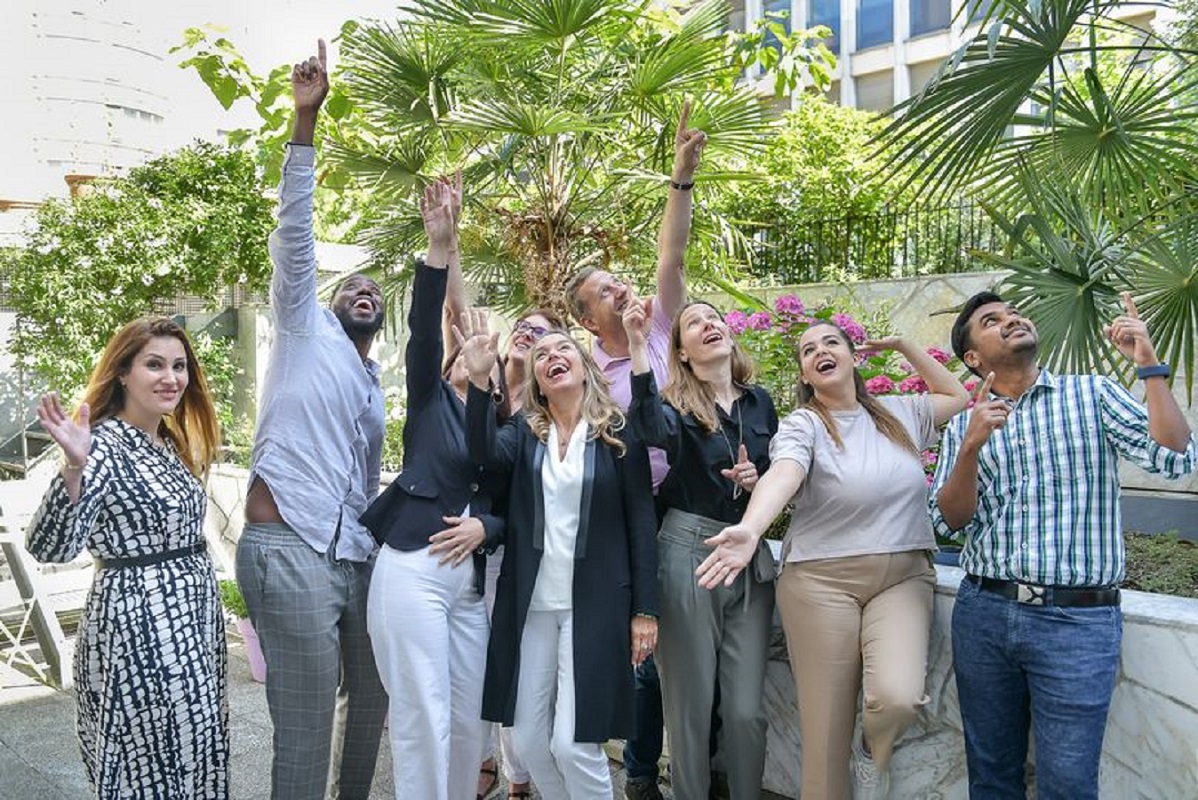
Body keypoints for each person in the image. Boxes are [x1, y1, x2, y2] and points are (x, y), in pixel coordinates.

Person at [929, 291, 1196, 800]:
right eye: (992, 320)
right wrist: (969, 451)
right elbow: (949, 522)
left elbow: (1175, 458)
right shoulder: (967, 423)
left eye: (1012, 313)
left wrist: (1148, 364)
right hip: (984, 612)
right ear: (973, 358)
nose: (1011, 320)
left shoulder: (1091, 394)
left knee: (1069, 785)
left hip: (1077, 623)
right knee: (991, 777)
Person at [697, 321, 970, 800]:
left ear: (851, 355)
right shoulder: (804, 425)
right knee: (824, 735)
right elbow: (784, 472)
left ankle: (871, 754)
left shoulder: (899, 413)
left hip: (903, 577)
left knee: (898, 698)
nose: (819, 351)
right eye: (807, 350)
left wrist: (905, 344)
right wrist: (752, 527)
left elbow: (958, 395)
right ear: (805, 373)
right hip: (820, 582)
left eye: (830, 342)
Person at [234, 41, 388, 799]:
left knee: (377, 695)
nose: (362, 287)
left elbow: (366, 480)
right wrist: (306, 121)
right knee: (304, 724)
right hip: (287, 544)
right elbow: (296, 237)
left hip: (352, 552)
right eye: (350, 283)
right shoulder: (303, 326)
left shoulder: (372, 382)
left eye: (372, 286)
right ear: (329, 300)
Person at [564, 100, 705, 800]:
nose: (622, 293)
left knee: (689, 645)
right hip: (632, 509)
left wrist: (680, 178)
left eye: (620, 283)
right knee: (643, 651)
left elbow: (670, 252)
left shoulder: (660, 327)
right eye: (605, 294)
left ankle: (699, 765)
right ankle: (643, 773)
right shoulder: (586, 369)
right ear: (585, 317)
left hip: (695, 495)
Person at [27, 316, 227, 797]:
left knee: (196, 747)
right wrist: (74, 468)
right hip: (139, 622)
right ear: (122, 373)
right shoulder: (101, 444)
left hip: (193, 618)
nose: (171, 377)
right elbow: (50, 546)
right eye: (154, 364)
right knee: (151, 759)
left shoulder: (169, 440)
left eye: (179, 366)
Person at [460, 327, 660, 799]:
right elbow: (483, 453)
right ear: (538, 382)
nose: (552, 356)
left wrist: (646, 610)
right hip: (531, 605)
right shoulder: (525, 433)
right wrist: (477, 378)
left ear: (584, 366)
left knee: (574, 745)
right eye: (542, 356)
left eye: (562, 348)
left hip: (597, 605)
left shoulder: (617, 434)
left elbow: (641, 526)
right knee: (528, 740)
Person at [357, 179, 505, 800]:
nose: (476, 355)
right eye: (466, 351)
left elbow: (510, 505)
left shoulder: (506, 426)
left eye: (486, 352)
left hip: (469, 584)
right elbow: (425, 329)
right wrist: (440, 249)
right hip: (414, 565)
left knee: (470, 719)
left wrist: (486, 527)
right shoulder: (429, 398)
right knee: (422, 714)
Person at [623, 300, 777, 800]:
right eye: (695, 323)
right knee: (689, 708)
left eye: (716, 318)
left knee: (746, 711)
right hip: (690, 552)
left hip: (750, 558)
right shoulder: (674, 406)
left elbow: (784, 473)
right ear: (683, 354)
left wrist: (760, 479)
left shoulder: (761, 403)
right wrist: (636, 345)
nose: (710, 324)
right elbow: (646, 426)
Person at [478, 307, 564, 800]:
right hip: (462, 546)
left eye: (545, 335)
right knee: (475, 663)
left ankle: (518, 776)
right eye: (526, 327)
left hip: (514, 552)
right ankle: (486, 760)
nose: (530, 335)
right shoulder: (478, 375)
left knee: (511, 664)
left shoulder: (541, 411)